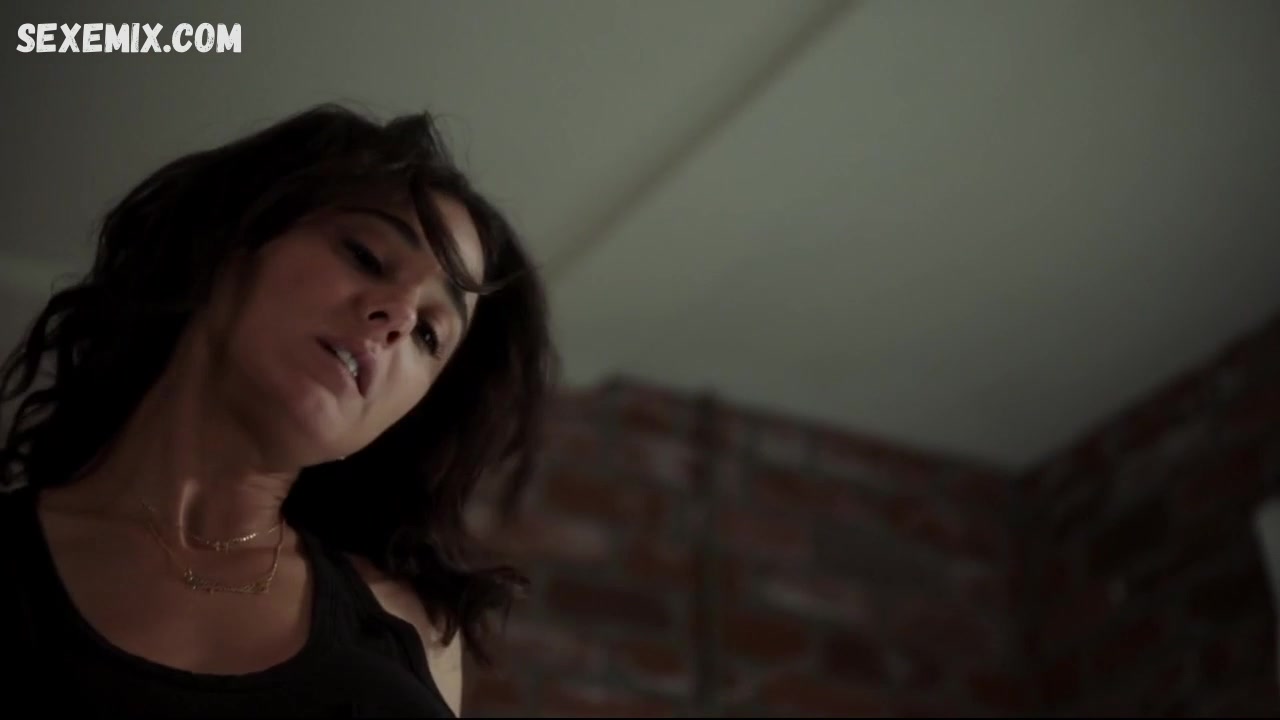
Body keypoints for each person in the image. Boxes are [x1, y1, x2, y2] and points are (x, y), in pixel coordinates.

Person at [0, 103, 557, 717]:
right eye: (366, 256)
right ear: (231, 242)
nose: (399, 317)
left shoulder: (412, 628)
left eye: (430, 333)